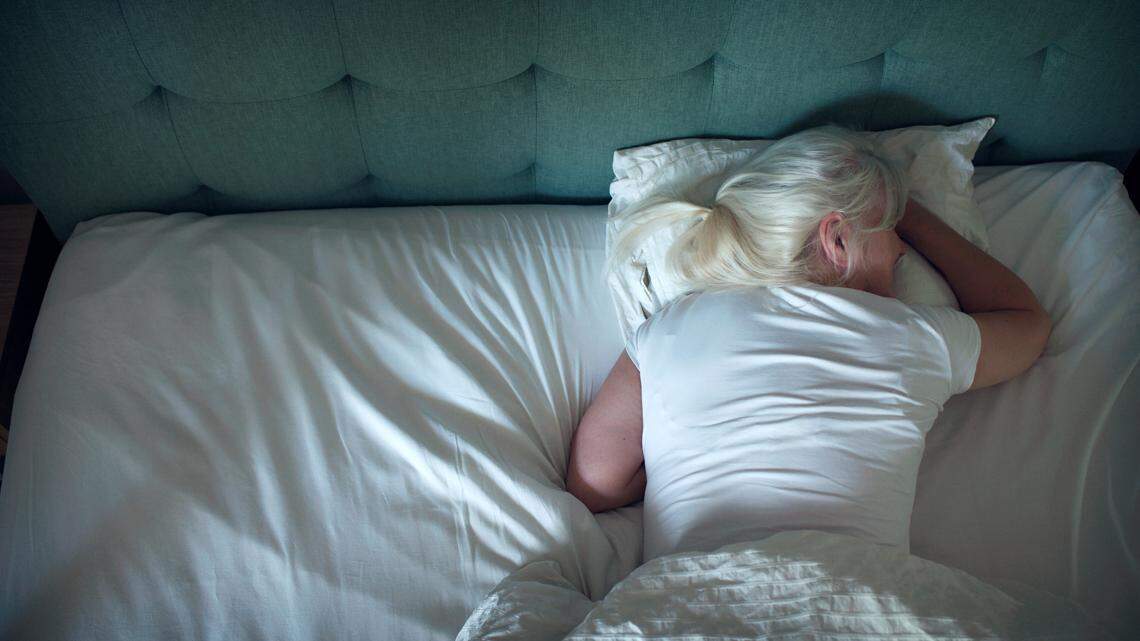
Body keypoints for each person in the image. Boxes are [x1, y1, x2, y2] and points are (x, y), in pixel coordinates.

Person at [565, 126, 1052, 561]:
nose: (901, 253)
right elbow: (1027, 324)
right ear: (837, 240)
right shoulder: (910, 333)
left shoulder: (667, 329)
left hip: (689, 601)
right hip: (852, 595)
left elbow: (594, 483)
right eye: (893, 240)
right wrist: (917, 217)